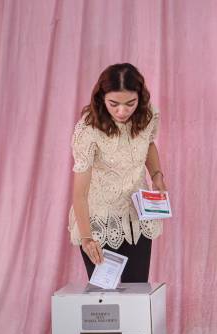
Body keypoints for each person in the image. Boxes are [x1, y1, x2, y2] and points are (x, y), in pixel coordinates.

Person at [69, 63, 166, 283]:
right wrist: (87, 238)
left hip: (138, 217)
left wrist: (157, 175)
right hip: (99, 223)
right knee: (106, 301)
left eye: (130, 103)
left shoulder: (148, 115)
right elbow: (80, 194)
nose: (122, 111)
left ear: (139, 98)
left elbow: (148, 143)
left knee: (137, 291)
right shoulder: (88, 129)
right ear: (101, 98)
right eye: (114, 104)